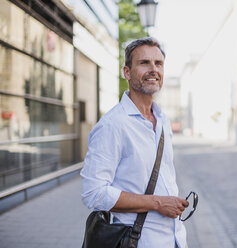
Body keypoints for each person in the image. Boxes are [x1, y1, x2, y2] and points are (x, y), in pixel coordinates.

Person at [80, 37, 189, 248]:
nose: (153, 69)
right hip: (138, 241)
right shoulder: (112, 125)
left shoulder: (163, 120)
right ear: (127, 72)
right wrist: (158, 203)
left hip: (175, 239)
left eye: (158, 63)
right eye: (144, 63)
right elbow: (93, 193)